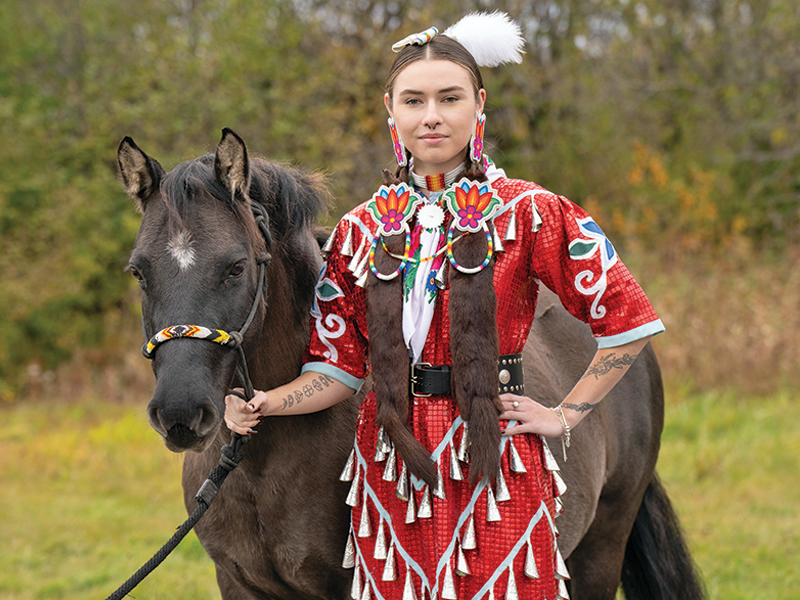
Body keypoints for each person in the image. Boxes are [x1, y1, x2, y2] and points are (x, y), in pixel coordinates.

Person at [225, 12, 664, 600]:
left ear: (479, 105)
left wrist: (563, 415)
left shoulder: (532, 213)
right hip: (389, 467)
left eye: (449, 97)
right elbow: (337, 368)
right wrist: (266, 401)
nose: (431, 115)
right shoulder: (359, 231)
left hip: (497, 457)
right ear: (391, 110)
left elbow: (628, 322)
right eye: (414, 100)